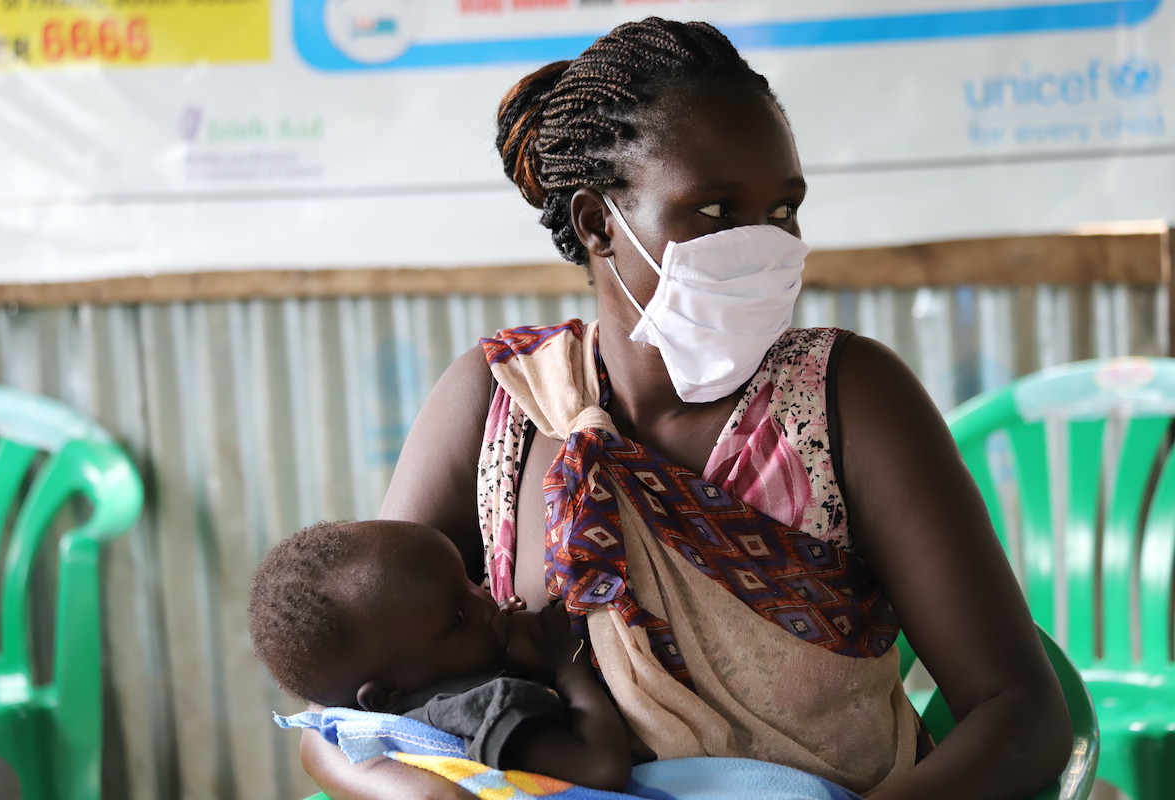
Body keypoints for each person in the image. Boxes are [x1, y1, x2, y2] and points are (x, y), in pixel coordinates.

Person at [301, 16, 1072, 800]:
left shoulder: (847, 401)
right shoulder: (499, 402)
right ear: (599, 223)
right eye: (713, 212)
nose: (762, 244)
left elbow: (1023, 712)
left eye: (782, 211)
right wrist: (436, 797)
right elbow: (343, 710)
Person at [248, 519, 632, 790]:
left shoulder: (415, 687)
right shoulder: (488, 708)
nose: (488, 601)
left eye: (471, 581)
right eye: (458, 619)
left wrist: (488, 631)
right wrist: (569, 668)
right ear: (385, 696)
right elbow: (602, 770)